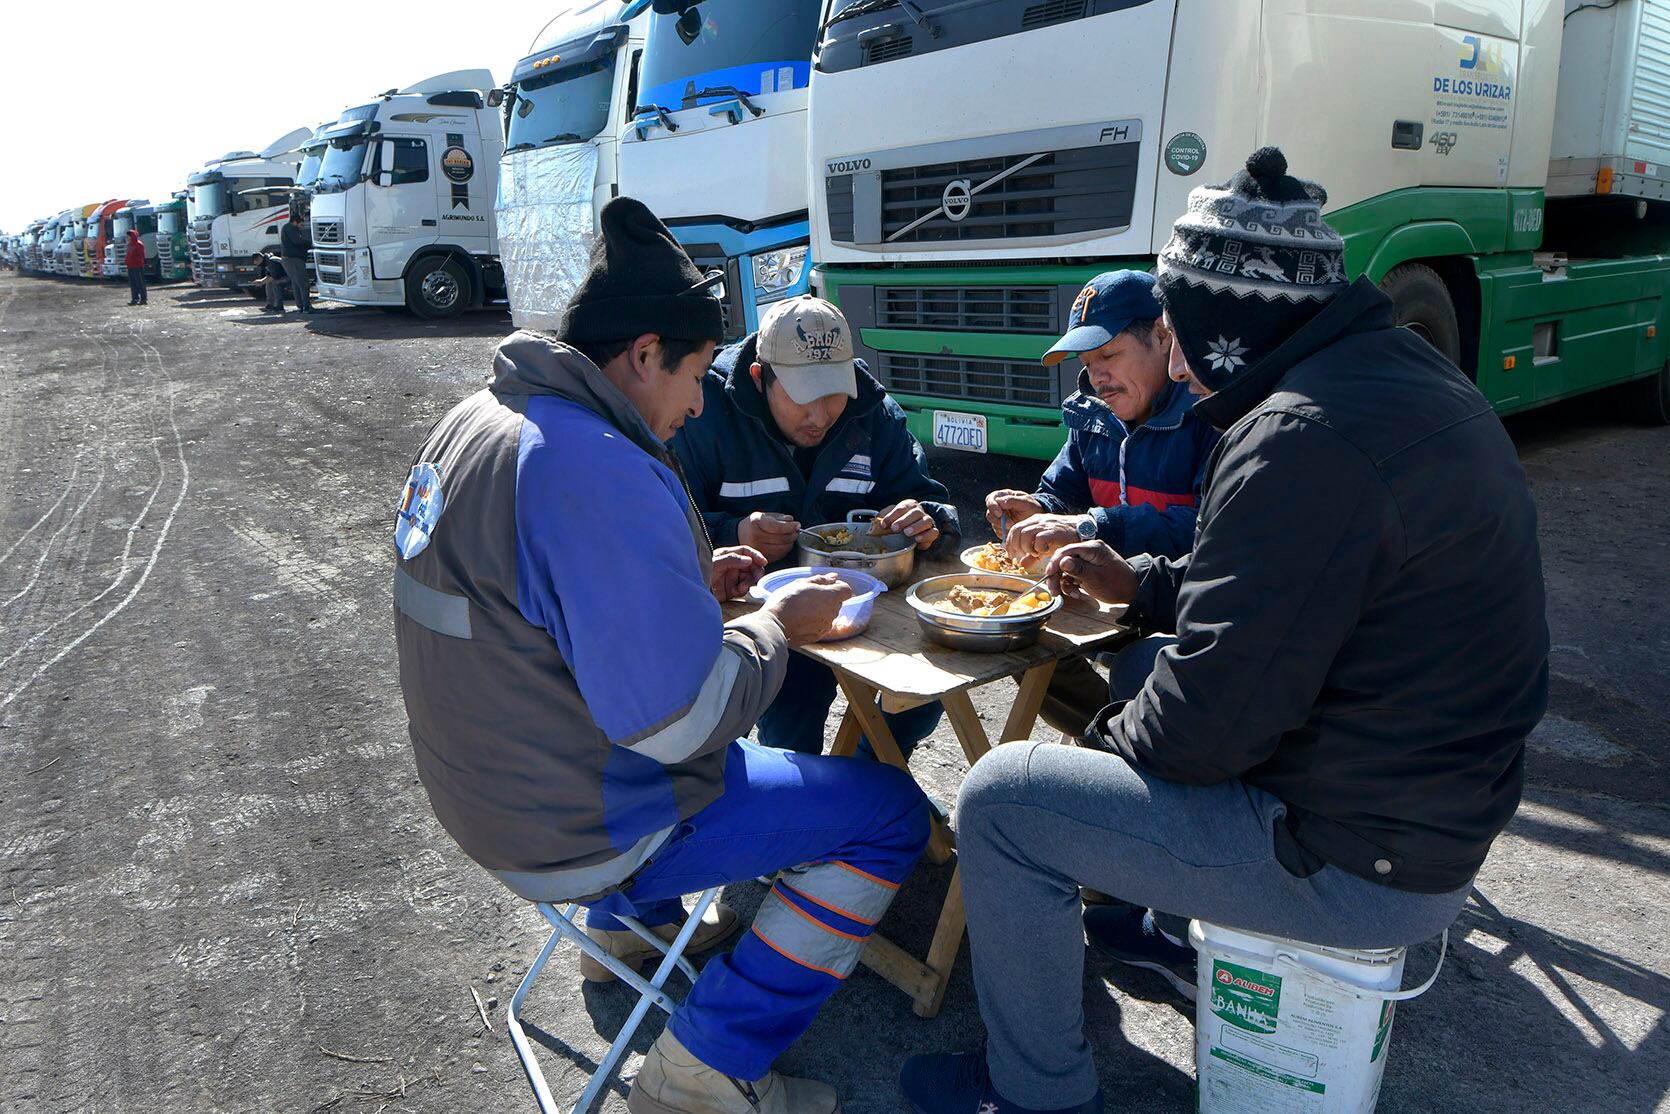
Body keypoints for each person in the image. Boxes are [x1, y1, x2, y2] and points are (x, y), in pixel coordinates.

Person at [897, 147, 1549, 1114]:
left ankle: (1034, 1094)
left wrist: (1104, 744)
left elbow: (1205, 731)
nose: (1176, 350)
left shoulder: (1297, 437)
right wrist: (1150, 585)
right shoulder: (1397, 375)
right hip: (1430, 802)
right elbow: (1299, 583)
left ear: (1218, 325)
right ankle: (1152, 917)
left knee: (1005, 799)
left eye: (1175, 325)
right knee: (1144, 666)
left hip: (1360, 853)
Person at [394, 197, 929, 1114]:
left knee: (754, 750)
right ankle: (707, 1071)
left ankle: (631, 933)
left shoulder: (482, 420)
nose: (694, 402)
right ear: (644, 354)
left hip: (485, 794)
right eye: (694, 375)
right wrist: (776, 627)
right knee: (891, 814)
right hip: (580, 821)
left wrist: (683, 577)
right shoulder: (595, 464)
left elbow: (538, 613)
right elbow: (677, 723)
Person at [673, 294, 960, 758]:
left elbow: (932, 505)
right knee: (792, 708)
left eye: (833, 393)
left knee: (924, 695)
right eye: (803, 397)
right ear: (759, 377)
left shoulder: (872, 411)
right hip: (766, 615)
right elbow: (669, 526)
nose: (820, 416)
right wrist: (736, 532)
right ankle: (811, 800)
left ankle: (873, 782)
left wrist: (927, 520)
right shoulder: (702, 411)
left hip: (869, 610)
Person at [981, 270, 1219, 737]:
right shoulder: (1093, 414)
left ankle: (1134, 746)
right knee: (1015, 646)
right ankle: (1112, 740)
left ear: (1162, 335)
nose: (1098, 377)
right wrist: (1033, 509)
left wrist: (1092, 527)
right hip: (1097, 601)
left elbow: (1206, 529)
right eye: (1089, 362)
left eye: (1109, 355)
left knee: (1143, 670)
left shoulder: (1207, 414)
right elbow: (1062, 496)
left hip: (1179, 607)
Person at [280, 208, 313, 314]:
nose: (301, 228)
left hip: (289, 260)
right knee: (303, 283)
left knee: (296, 283)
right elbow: (297, 241)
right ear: (295, 222)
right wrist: (310, 243)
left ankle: (301, 307)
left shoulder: (287, 228)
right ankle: (306, 306)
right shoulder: (290, 228)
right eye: (301, 225)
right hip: (294, 260)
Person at [124, 228, 147, 306]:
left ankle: (143, 299)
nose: (127, 237)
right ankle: (135, 298)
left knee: (140, 283)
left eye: (128, 236)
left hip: (137, 266)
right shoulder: (129, 245)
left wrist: (132, 261)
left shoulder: (139, 244)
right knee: (133, 284)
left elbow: (141, 256)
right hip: (130, 266)